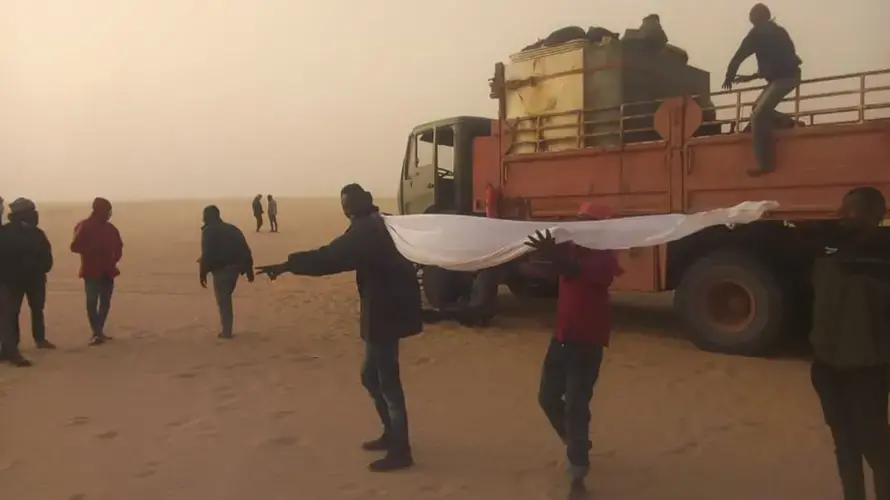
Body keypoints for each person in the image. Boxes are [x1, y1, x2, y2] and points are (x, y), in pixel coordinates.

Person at [256, 183, 422, 472]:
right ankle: (391, 434)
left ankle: (401, 450)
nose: (345, 210)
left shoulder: (366, 230)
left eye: (347, 205)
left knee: (387, 382)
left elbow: (329, 257)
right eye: (343, 205)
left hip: (385, 313)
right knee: (371, 376)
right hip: (385, 310)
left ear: (358, 205)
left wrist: (287, 265)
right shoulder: (376, 222)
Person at [524, 202, 623, 494]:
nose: (580, 226)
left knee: (576, 407)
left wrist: (553, 254)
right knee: (547, 397)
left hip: (587, 341)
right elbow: (546, 271)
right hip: (562, 336)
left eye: (587, 222)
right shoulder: (571, 249)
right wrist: (539, 254)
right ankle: (575, 443)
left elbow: (575, 269)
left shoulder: (605, 258)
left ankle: (577, 473)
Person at [805, 186, 890, 500]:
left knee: (876, 446)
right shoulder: (828, 247)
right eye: (844, 208)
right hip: (828, 367)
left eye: (853, 209)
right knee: (846, 446)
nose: (844, 215)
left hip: (868, 368)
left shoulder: (882, 253)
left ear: (877, 215)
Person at [722, 3, 802, 176]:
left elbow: (738, 57)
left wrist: (729, 76)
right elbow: (780, 60)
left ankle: (765, 164)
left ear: (756, 18)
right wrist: (750, 77)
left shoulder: (758, 34)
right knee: (757, 110)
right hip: (788, 75)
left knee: (758, 116)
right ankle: (789, 123)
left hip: (784, 78)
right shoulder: (778, 31)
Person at [70, 197, 123, 346]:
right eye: (107, 211)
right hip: (91, 271)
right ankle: (97, 331)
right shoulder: (84, 226)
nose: (109, 214)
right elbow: (74, 246)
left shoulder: (111, 228)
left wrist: (114, 259)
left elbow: (119, 246)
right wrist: (90, 250)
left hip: (108, 270)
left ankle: (98, 331)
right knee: (92, 302)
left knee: (105, 302)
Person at [5, 198, 55, 351]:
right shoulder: (6, 233)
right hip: (14, 281)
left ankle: (39, 339)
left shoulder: (37, 233)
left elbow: (47, 256)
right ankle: (13, 344)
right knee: (12, 312)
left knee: (36, 309)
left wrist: (41, 268)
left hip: (34, 279)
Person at [199, 205, 254, 339]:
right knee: (225, 298)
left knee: (223, 300)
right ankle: (227, 330)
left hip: (221, 270)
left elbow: (207, 254)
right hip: (235, 269)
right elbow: (245, 249)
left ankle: (226, 332)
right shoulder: (232, 229)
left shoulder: (208, 231)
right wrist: (249, 269)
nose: (203, 218)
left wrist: (202, 273)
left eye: (205, 215)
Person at [0, 219, 31, 367]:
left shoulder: (7, 232)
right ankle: (11, 351)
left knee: (8, 317)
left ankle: (10, 350)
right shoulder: (7, 233)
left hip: (7, 281)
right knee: (8, 317)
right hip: (7, 281)